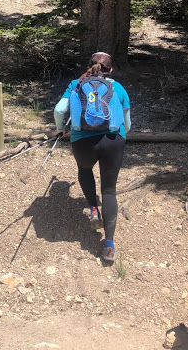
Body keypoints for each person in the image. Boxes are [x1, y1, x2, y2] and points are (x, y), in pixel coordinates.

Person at [54, 52, 131, 262]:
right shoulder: (118, 88)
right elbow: (128, 122)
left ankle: (94, 209)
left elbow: (60, 109)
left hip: (83, 141)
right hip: (113, 140)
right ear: (111, 70)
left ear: (89, 66)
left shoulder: (76, 84)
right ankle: (109, 245)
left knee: (85, 170)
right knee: (109, 189)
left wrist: (60, 129)